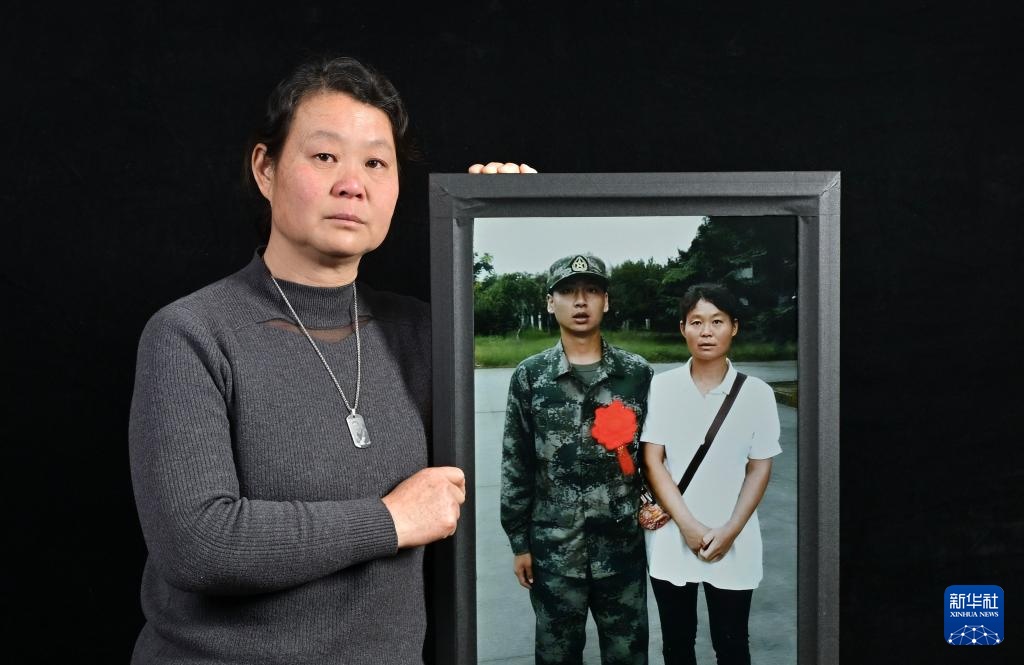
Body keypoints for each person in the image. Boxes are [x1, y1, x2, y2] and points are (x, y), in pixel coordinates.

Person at [128, 53, 532, 665]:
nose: (352, 183)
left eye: (376, 162)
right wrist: (389, 520)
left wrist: (514, 219)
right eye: (324, 156)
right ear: (265, 169)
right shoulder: (191, 334)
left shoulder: (426, 332)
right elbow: (198, 544)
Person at [500, 253, 654, 665]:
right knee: (557, 657)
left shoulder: (636, 374)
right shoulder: (531, 376)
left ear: (607, 301)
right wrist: (519, 542)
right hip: (554, 552)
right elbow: (517, 462)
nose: (580, 301)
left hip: (622, 549)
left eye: (592, 291)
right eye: (568, 291)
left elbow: (654, 457)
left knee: (628, 656)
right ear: (551, 303)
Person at [641, 283, 781, 665]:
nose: (706, 332)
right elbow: (653, 461)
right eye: (696, 322)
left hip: (734, 538)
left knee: (732, 645)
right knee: (677, 644)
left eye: (717, 321)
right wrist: (688, 527)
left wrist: (731, 530)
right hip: (672, 537)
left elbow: (759, 467)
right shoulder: (662, 387)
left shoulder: (757, 394)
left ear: (734, 327)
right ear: (682, 328)